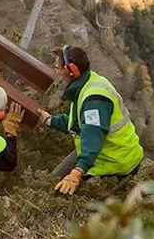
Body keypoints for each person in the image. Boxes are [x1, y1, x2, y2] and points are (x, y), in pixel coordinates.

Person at [38, 45, 144, 195]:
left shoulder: (94, 99)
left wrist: (77, 173)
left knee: (58, 194)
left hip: (116, 161)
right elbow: (78, 124)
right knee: (51, 181)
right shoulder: (87, 83)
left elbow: (93, 136)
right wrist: (49, 120)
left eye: (58, 68)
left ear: (71, 71)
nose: (57, 73)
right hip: (103, 151)